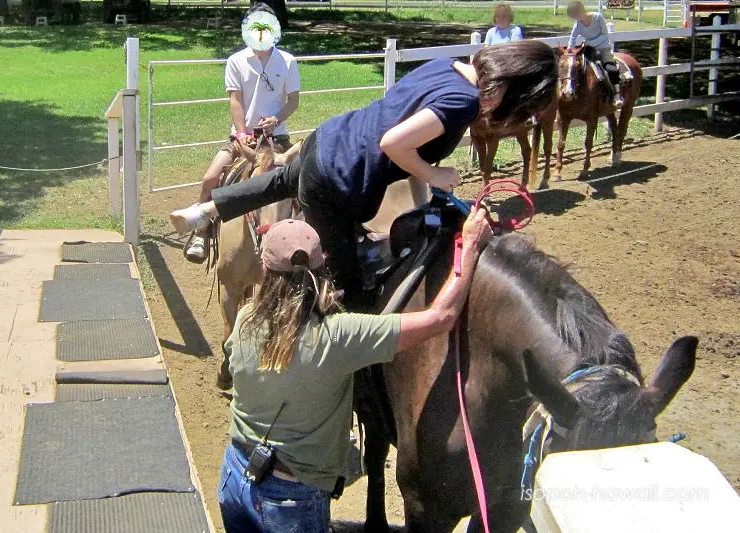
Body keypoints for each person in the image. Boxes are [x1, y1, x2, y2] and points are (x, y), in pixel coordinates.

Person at [170, 40, 557, 309]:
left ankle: (206, 210)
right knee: (350, 290)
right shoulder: (464, 101)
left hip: (329, 140)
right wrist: (433, 173)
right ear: (513, 89)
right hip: (340, 179)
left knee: (283, 181)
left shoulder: (448, 66)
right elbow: (394, 143)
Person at [218, 210, 493, 533]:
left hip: (236, 474)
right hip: (291, 500)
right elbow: (441, 317)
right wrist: (469, 245)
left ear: (265, 268)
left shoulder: (246, 318)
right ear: (322, 267)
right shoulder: (339, 336)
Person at [183, 4, 301, 262]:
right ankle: (201, 233)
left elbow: (293, 100)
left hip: (277, 139)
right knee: (210, 178)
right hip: (242, 139)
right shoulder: (236, 61)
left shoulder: (288, 61)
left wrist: (276, 119)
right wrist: (241, 133)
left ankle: (306, 236)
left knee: (302, 181)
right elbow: (235, 100)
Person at [566, 1, 623, 108]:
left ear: (582, 10)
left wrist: (591, 43)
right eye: (574, 17)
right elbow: (572, 39)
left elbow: (605, 35)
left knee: (611, 69)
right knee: (579, 69)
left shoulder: (598, 17)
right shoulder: (577, 24)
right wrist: (569, 52)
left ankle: (616, 95)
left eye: (577, 15)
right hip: (589, 50)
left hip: (603, 48)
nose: (577, 19)